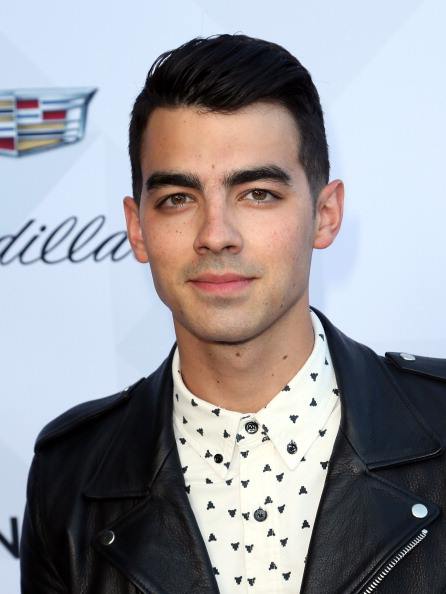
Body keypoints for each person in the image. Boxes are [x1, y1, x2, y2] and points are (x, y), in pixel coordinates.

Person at [20, 34, 446, 594]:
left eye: (258, 193)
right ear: (137, 228)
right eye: (178, 199)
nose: (216, 235)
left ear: (325, 214)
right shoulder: (70, 476)